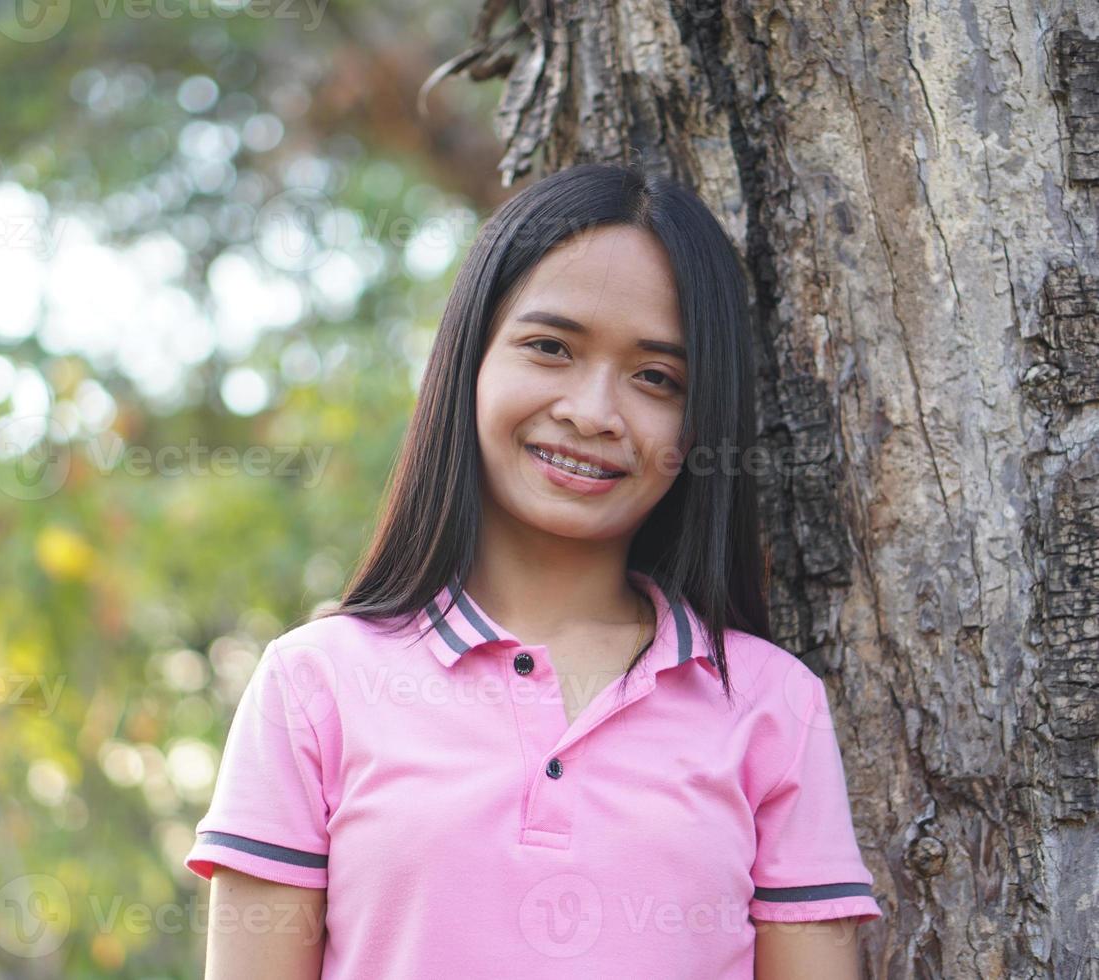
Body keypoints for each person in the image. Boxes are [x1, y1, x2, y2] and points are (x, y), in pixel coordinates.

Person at [184, 162, 883, 979]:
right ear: (469, 359)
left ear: (700, 425)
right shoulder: (314, 687)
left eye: (657, 378)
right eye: (550, 347)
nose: (593, 412)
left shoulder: (772, 706)